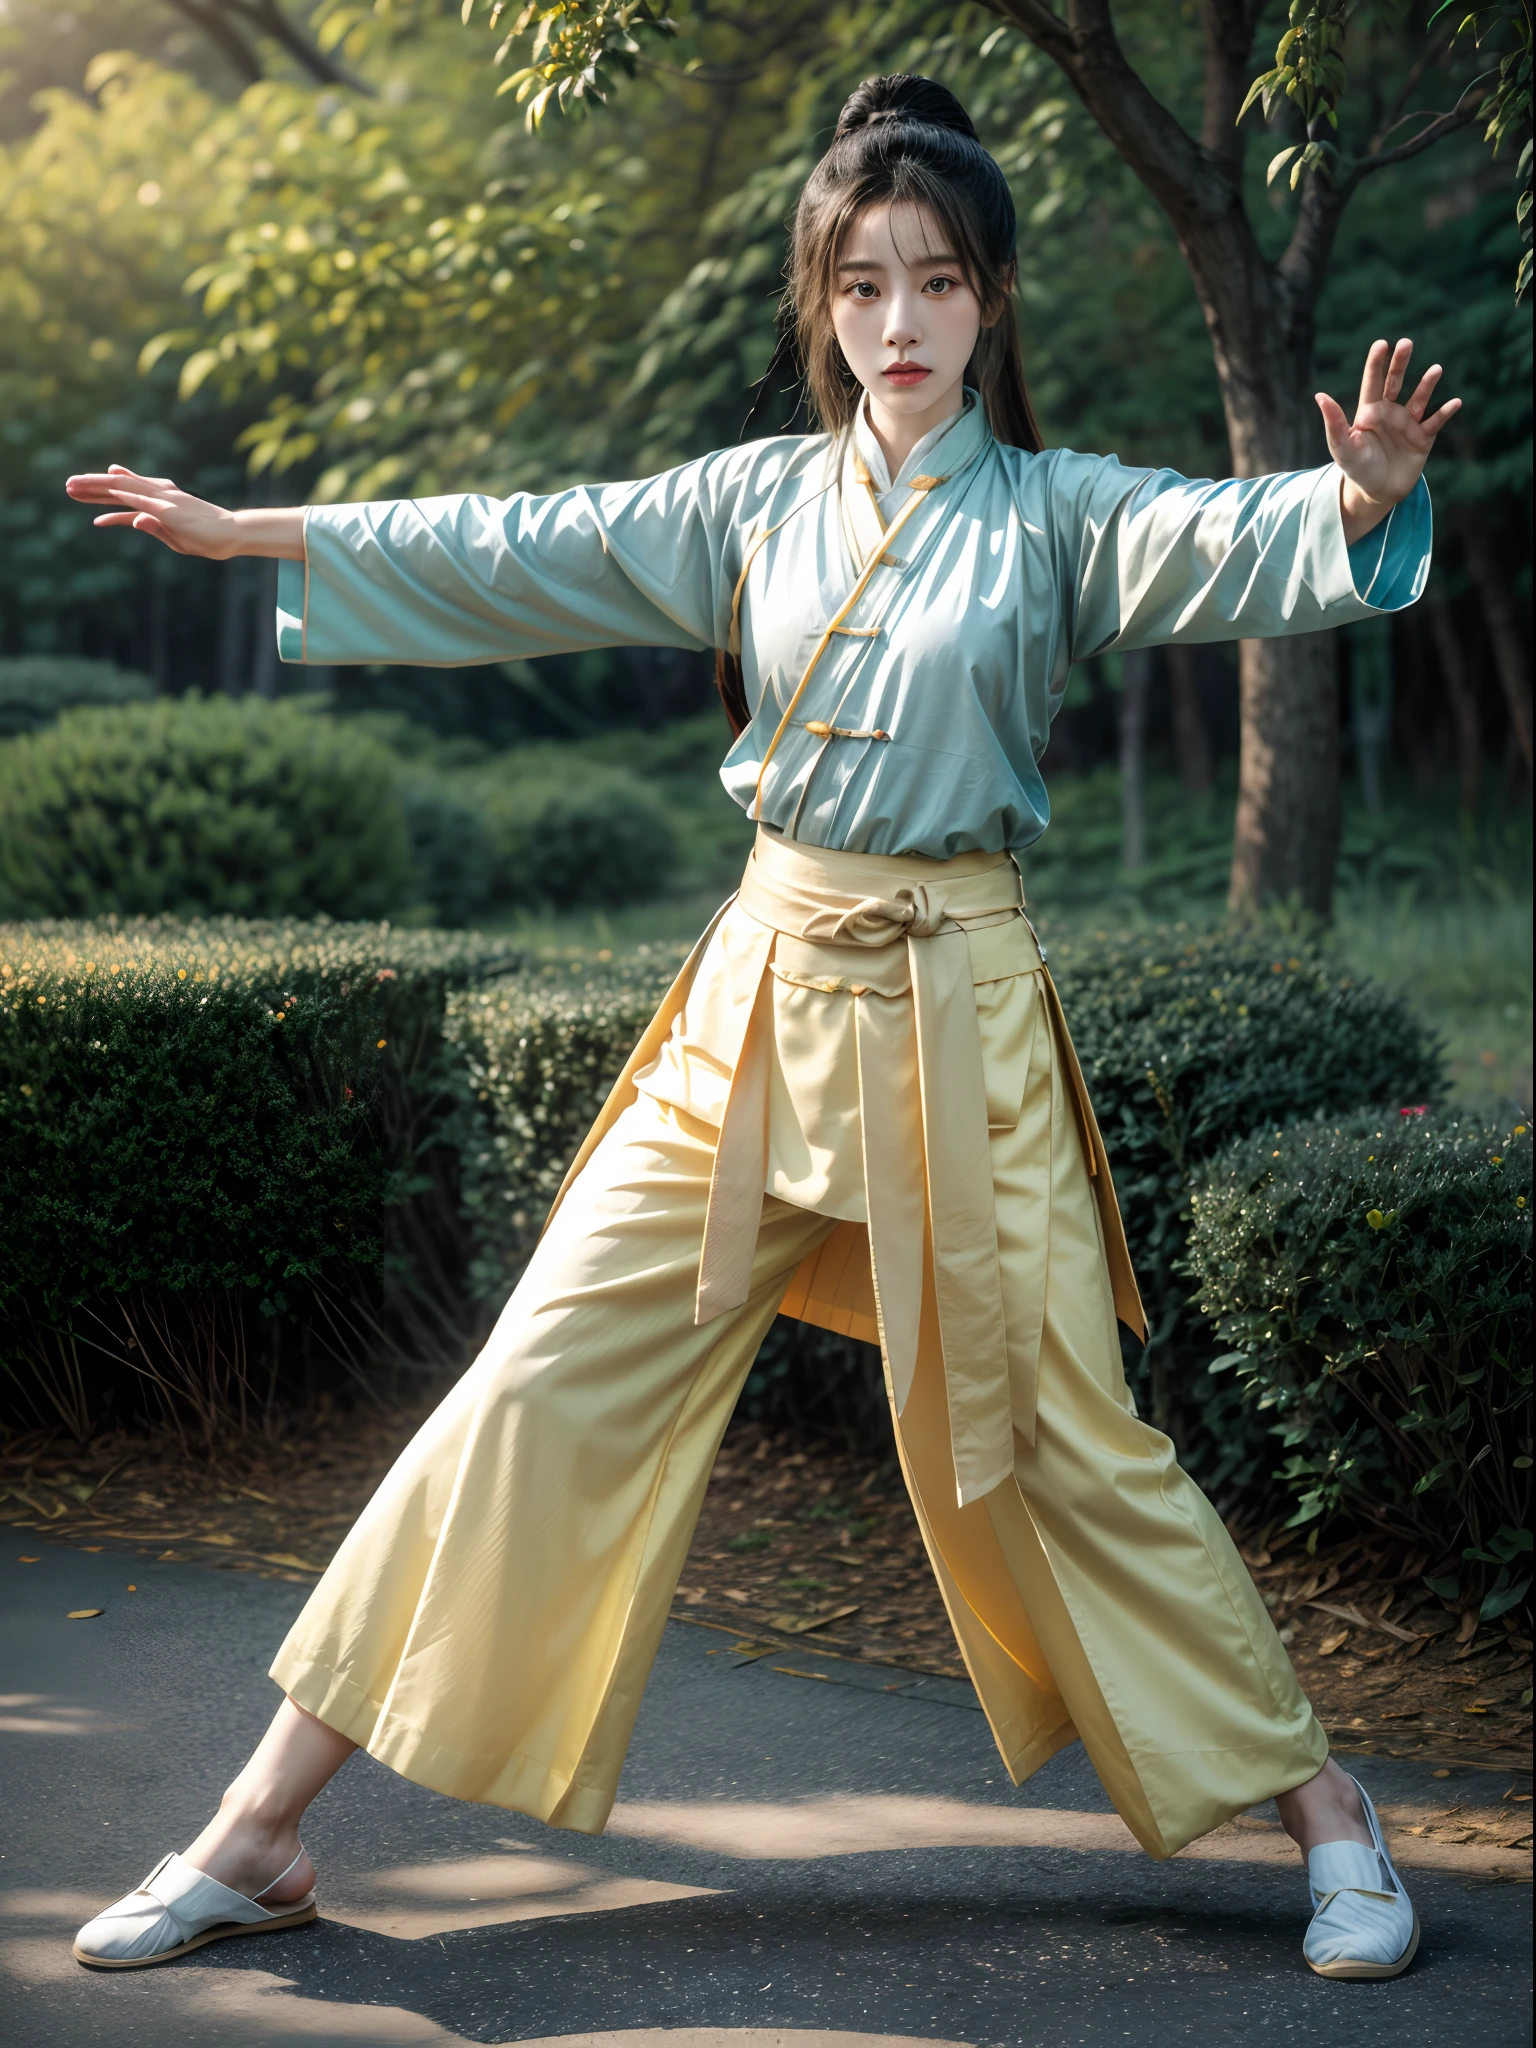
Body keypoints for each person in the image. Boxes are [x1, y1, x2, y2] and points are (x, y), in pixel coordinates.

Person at [65, 73, 1452, 1984]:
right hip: (756, 993)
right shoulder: (747, 500)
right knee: (538, 1380)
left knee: (1064, 1439)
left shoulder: (1055, 519)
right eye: (865, 285)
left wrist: (1359, 504)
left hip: (953, 1015)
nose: (899, 323)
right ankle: (260, 1829)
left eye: (939, 283)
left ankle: (1325, 1812)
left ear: (989, 307)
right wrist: (257, 535)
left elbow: (1224, 538)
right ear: (823, 304)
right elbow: (516, 538)